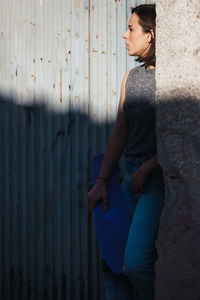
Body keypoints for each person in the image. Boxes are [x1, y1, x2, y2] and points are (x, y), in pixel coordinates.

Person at [88, 4, 164, 300]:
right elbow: (120, 131)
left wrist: (148, 168)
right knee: (113, 264)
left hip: (156, 182)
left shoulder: (174, 81)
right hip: (128, 179)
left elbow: (183, 140)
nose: (124, 35)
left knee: (135, 263)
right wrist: (102, 182)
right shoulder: (131, 78)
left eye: (131, 28)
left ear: (150, 35)